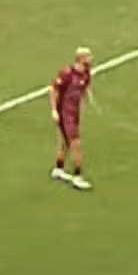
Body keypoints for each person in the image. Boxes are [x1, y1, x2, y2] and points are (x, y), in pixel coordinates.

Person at [48, 47, 95, 191]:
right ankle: (77, 176)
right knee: (76, 144)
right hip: (65, 112)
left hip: (74, 112)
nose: (91, 58)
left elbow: (85, 86)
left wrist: (86, 96)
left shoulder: (86, 72)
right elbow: (53, 89)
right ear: (81, 58)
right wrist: (54, 111)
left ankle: (59, 168)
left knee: (66, 142)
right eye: (88, 56)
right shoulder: (67, 73)